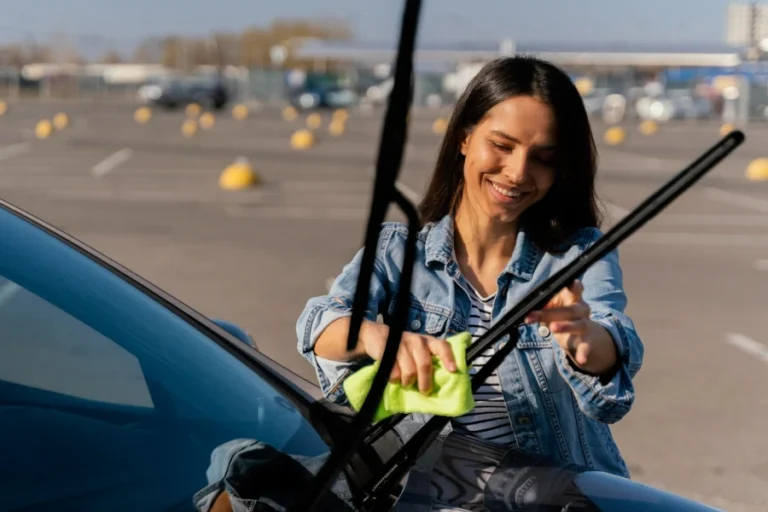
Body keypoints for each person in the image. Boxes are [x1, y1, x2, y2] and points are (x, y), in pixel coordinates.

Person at [296, 56, 643, 478]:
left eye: (543, 158)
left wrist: (586, 344)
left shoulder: (580, 254)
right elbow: (319, 323)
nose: (517, 173)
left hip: (557, 500)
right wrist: (375, 336)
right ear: (464, 137)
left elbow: (610, 353)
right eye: (502, 146)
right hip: (431, 499)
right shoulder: (398, 251)